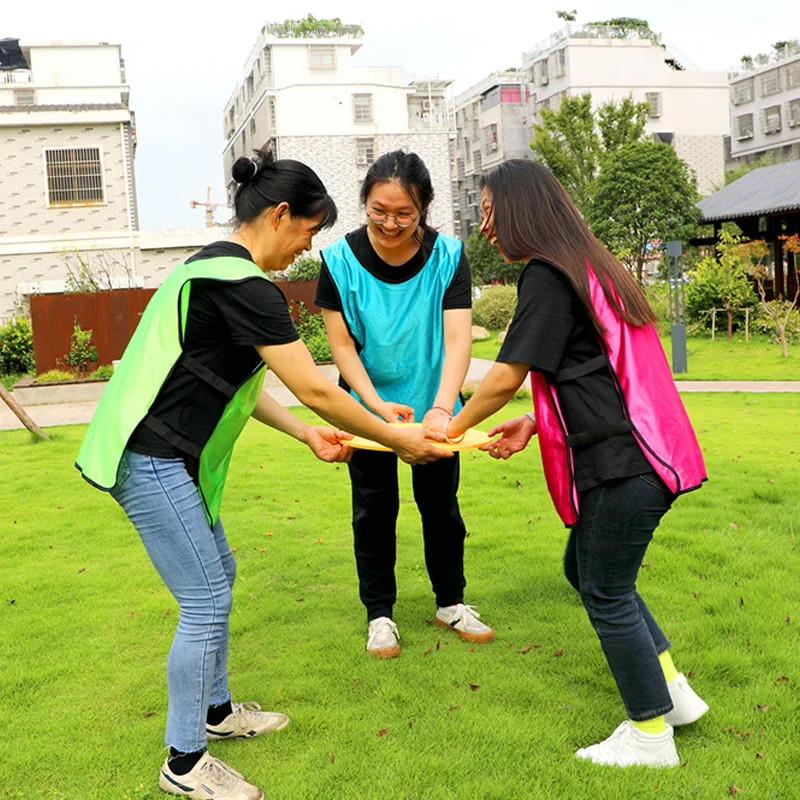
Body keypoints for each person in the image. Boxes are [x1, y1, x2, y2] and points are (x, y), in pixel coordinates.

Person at [76, 149, 449, 800]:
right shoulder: (243, 284)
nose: (305, 249)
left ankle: (217, 715)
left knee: (220, 575)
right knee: (204, 598)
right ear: (280, 215)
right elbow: (315, 386)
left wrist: (307, 432)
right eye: (307, 233)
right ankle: (184, 763)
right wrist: (398, 440)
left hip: (169, 456)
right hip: (151, 457)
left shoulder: (209, 268)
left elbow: (244, 386)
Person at [431, 159, 709, 768]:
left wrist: (446, 432)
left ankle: (650, 736)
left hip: (622, 465)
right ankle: (675, 695)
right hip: (630, 456)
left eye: (489, 211)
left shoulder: (548, 275)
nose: (486, 226)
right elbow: (592, 370)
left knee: (607, 592)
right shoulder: (584, 263)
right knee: (586, 572)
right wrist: (535, 421)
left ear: (522, 209)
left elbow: (505, 375)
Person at [315, 149, 495, 659]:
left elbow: (458, 339)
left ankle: (451, 602)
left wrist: (442, 408)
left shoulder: (448, 255)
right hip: (366, 409)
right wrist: (373, 407)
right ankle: (380, 615)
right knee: (373, 512)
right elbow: (343, 346)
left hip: (435, 404)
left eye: (403, 214)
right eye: (378, 210)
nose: (390, 223)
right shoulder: (338, 260)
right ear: (364, 203)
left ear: (424, 210)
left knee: (442, 508)